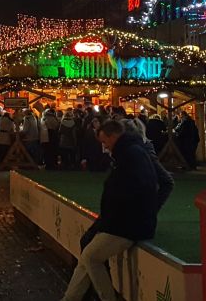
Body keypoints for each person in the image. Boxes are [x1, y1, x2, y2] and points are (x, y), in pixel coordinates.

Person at [62, 120, 159, 301]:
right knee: (87, 258)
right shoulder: (131, 153)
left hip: (126, 224)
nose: (104, 147)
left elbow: (129, 193)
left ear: (113, 136)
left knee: (90, 257)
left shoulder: (129, 156)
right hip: (124, 221)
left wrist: (109, 219)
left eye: (104, 141)